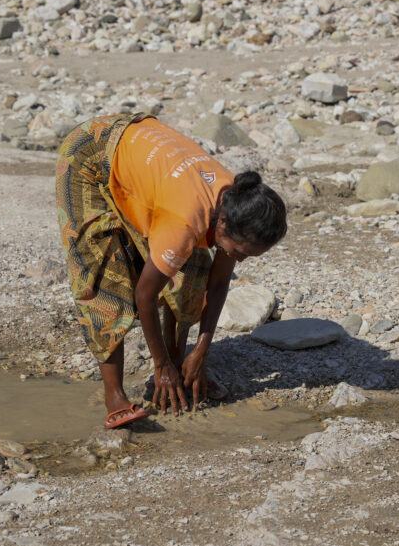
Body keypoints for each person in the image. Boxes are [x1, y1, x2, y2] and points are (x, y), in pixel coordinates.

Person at [55, 113, 287, 429]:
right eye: (238, 252)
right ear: (222, 224)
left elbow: (217, 283)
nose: (239, 261)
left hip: (146, 161)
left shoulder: (236, 202)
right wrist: (159, 362)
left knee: (193, 274)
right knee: (103, 275)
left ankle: (179, 371)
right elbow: (145, 295)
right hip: (90, 157)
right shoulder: (187, 219)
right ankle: (115, 395)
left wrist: (201, 351)